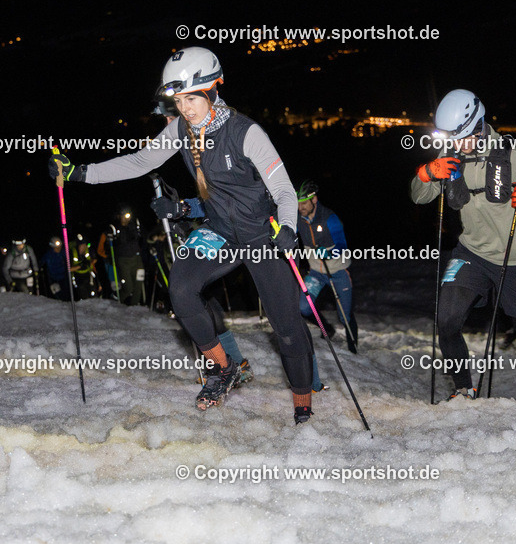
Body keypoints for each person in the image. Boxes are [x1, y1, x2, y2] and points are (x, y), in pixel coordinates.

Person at [48, 47, 314, 423]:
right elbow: (140, 161)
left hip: (260, 237)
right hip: (220, 232)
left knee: (286, 327)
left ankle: (303, 402)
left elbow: (284, 190)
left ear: (212, 90)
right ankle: (223, 368)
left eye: (191, 98)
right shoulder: (180, 130)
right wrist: (80, 172)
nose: (185, 108)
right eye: (179, 100)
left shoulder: (246, 132)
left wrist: (287, 227)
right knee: (182, 290)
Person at [410, 89, 516, 400]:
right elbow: (419, 196)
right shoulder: (450, 155)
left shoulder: (515, 154)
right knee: (447, 320)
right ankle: (463, 391)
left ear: (478, 125)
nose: (457, 145)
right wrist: (426, 174)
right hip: (472, 253)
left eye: (461, 138)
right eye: (452, 139)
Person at [296, 179, 358, 349]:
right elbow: (289, 232)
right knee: (304, 307)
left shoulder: (330, 218)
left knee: (345, 316)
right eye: (298, 203)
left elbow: (342, 245)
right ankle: (327, 329)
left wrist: (330, 253)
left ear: (314, 200)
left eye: (304, 203)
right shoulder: (299, 220)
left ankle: (353, 350)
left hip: (338, 272)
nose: (300, 207)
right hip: (316, 273)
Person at [113, 210, 144, 305]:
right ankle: (116, 302)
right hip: (124, 261)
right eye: (124, 215)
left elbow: (143, 237)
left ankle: (134, 306)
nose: (126, 218)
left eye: (128, 216)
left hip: (136, 258)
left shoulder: (134, 226)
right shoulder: (115, 228)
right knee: (128, 288)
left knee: (138, 284)